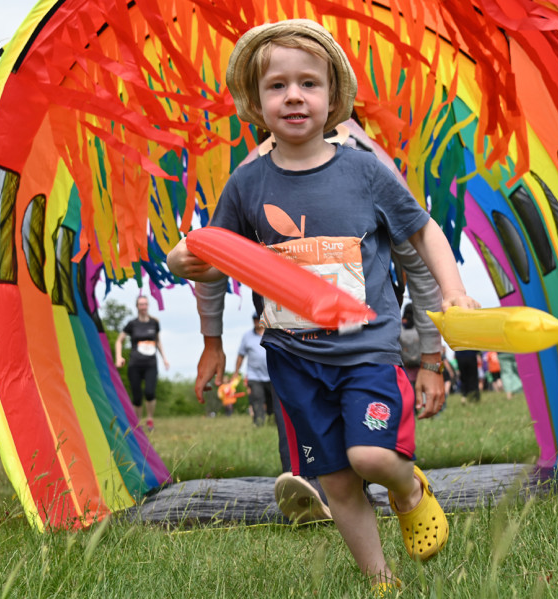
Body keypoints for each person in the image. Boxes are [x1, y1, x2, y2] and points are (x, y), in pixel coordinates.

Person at [167, 19, 479, 590]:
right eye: (277, 85)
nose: (293, 96)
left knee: (370, 459)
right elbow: (206, 253)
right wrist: (180, 271)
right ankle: (381, 580)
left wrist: (453, 295)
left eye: (308, 83)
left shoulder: (366, 173)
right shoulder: (247, 186)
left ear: (332, 97)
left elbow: (424, 233)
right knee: (335, 481)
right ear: (255, 104)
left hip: (366, 354)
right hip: (293, 359)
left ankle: (409, 488)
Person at [115, 296, 170, 428]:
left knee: (150, 392)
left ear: (148, 306)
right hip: (135, 364)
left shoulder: (154, 323)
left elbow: (158, 341)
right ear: (137, 307)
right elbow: (119, 340)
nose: (143, 307)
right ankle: (137, 422)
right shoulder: (132, 324)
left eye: (145, 304)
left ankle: (150, 419)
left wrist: (164, 358)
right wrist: (119, 357)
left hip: (151, 363)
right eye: (141, 304)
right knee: (137, 395)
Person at [235, 312, 274, 426]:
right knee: (257, 399)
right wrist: (236, 372)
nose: (256, 321)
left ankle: (274, 421)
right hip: (254, 376)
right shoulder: (247, 336)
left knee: (273, 401)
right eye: (254, 319)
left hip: (272, 374)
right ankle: (258, 423)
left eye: (258, 319)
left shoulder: (272, 333)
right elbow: (240, 355)